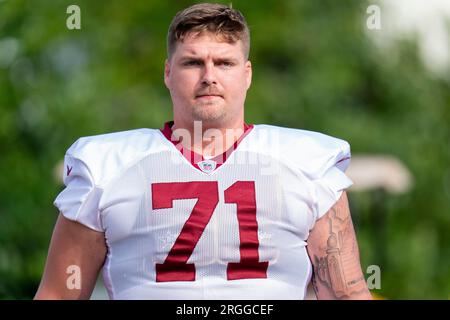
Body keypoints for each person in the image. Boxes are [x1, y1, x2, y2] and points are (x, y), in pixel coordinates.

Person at [35, 3, 371, 300]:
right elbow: (59, 295)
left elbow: (347, 293)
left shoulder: (306, 164)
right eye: (193, 62)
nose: (209, 77)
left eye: (224, 63)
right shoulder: (106, 168)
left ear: (247, 74)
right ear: (168, 72)